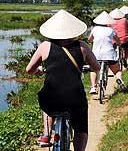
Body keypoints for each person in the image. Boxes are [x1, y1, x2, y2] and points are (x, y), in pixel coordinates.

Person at [26, 10, 100, 150]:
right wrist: (86, 65)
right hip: (75, 99)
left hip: (52, 99)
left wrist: (38, 71)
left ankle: (46, 134)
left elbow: (29, 70)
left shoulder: (45, 46)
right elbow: (96, 66)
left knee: (46, 102)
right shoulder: (82, 46)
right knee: (80, 129)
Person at [88, 11, 127, 94]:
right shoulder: (110, 30)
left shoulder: (95, 29)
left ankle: (93, 87)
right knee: (117, 70)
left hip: (96, 55)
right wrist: (118, 44)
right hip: (109, 54)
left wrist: (92, 42)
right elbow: (117, 40)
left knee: (93, 69)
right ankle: (119, 80)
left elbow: (89, 40)